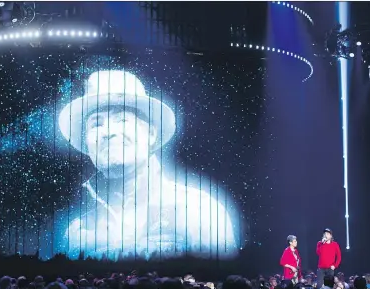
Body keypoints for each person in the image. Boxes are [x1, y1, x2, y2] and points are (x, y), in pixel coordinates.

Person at [53, 70, 238, 260]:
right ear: (87, 142)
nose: (108, 132)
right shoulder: (76, 232)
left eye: (123, 120)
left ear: (150, 133)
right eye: (96, 124)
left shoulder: (198, 209)